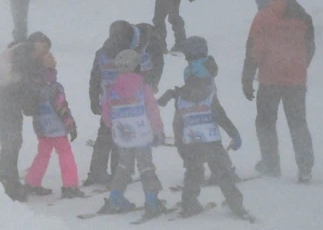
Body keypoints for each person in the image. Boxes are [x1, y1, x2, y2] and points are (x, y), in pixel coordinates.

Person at [159, 37, 251, 220]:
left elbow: (178, 125)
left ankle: (189, 204)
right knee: (223, 173)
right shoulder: (210, 97)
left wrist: (181, 147)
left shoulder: (181, 99)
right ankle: (235, 204)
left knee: (194, 173)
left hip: (192, 143)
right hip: (212, 143)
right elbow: (222, 117)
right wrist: (235, 135)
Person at [242, 0, 315, 183]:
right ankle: (305, 167)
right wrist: (299, 66)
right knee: (298, 123)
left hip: (269, 80)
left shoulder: (263, 16)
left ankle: (271, 163)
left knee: (265, 122)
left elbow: (254, 49)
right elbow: (311, 47)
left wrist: (247, 77)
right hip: (296, 82)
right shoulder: (303, 17)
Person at [84, 20, 163, 186]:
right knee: (121, 140)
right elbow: (146, 78)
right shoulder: (133, 55)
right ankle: (119, 173)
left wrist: (93, 97)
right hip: (131, 107)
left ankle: (96, 172)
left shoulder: (101, 53)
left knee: (104, 139)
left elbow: (94, 77)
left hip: (109, 103)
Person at [98, 49, 166, 218]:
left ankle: (115, 197)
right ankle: (151, 200)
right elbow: (152, 109)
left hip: (122, 136)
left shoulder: (113, 88)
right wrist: (158, 129)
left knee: (123, 166)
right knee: (146, 166)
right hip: (141, 133)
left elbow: (106, 113)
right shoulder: (143, 86)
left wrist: (112, 124)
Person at [23, 36, 84, 199]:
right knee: (65, 153)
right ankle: (70, 185)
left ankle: (32, 182)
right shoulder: (55, 87)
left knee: (42, 154)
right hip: (56, 127)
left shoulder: (33, 85)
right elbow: (61, 107)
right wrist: (70, 124)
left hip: (41, 127)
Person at [0, 37, 36, 200]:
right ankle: (9, 185)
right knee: (11, 146)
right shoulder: (21, 62)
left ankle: (9, 181)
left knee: (10, 145)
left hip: (2, 108)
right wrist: (30, 106)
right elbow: (24, 91)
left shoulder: (9, 58)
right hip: (8, 111)